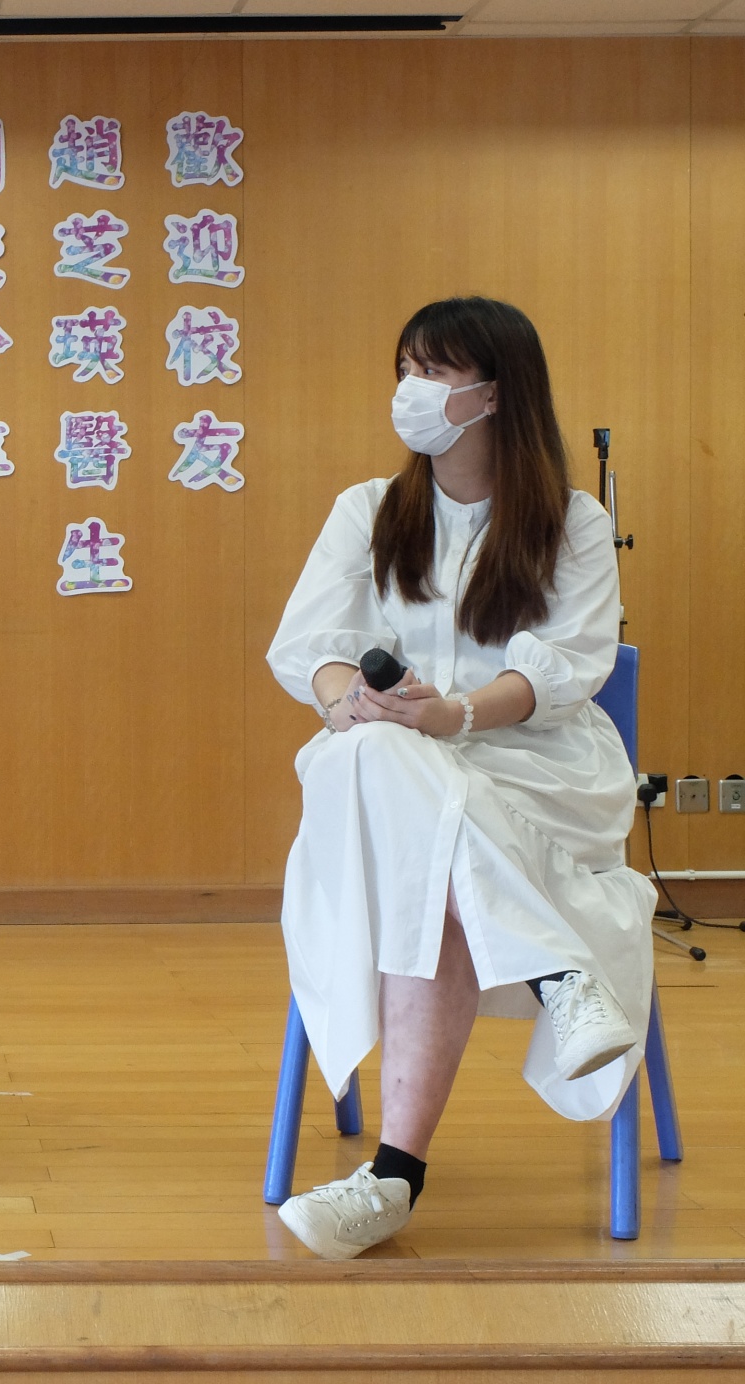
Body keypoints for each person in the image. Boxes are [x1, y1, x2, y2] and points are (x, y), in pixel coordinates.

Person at [266, 296, 654, 1260]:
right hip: (384, 763)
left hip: (535, 771)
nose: (412, 390)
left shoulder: (573, 521)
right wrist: (351, 700)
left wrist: (458, 714)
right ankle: (561, 973)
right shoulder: (367, 510)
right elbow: (307, 648)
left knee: (421, 852)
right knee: (377, 756)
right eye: (406, 369)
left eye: (435, 372)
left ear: (495, 394)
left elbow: (571, 667)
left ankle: (394, 1178)